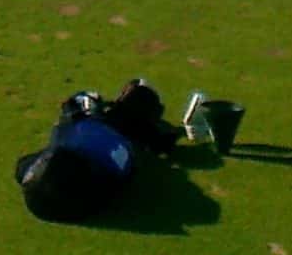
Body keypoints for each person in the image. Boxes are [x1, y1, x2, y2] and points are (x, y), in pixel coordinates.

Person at [14, 78, 183, 223]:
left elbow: (78, 105)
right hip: (89, 196)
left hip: (42, 198)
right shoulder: (123, 148)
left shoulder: (89, 129)